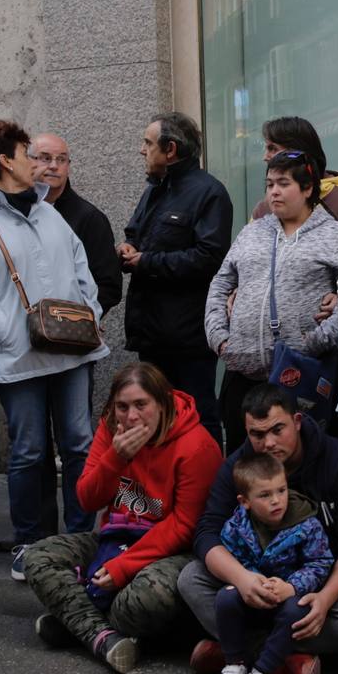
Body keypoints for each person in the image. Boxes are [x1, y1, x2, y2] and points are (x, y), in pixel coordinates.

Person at [0, 120, 110, 579]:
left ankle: (80, 537)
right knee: (29, 451)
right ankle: (29, 542)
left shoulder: (48, 212)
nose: (37, 162)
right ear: (6, 161)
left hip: (73, 350)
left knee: (79, 444)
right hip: (18, 355)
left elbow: (81, 267)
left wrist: (88, 312)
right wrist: (2, 330)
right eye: (27, 152)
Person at [26, 362, 221, 674]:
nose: (131, 417)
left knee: (148, 596)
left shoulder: (197, 446)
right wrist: (115, 458)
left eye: (141, 405)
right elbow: (87, 499)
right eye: (122, 407)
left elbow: (185, 526)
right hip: (114, 537)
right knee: (36, 558)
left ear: (163, 402)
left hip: (168, 551)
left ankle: (76, 623)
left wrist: (123, 567)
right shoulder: (110, 429)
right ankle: (104, 637)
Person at [178, 384, 338, 674]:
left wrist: (323, 600)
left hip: (310, 583)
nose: (267, 443)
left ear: (297, 421)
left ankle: (232, 654)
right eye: (257, 434)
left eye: (277, 429)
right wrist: (241, 578)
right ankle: (281, 664)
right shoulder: (240, 465)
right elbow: (207, 531)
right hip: (250, 582)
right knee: (190, 578)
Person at [205, 150, 338, 451]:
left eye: (283, 183)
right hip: (241, 370)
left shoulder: (335, 235)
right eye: (270, 184)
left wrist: (320, 339)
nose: (274, 191)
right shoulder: (252, 231)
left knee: (297, 459)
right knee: (242, 462)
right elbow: (221, 282)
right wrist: (219, 337)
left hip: (297, 373)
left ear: (307, 188)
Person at [121, 112, 232, 448]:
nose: (142, 150)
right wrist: (128, 248)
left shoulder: (209, 193)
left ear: (170, 150)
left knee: (196, 418)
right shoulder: (154, 189)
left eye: (148, 143)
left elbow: (208, 258)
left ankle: (208, 495)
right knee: (156, 419)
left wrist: (147, 261)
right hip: (151, 333)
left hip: (188, 337)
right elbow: (136, 232)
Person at [211, 454, 333, 674]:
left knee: (297, 610)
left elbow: (320, 562)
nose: (277, 500)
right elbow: (233, 558)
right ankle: (235, 664)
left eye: (281, 490)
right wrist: (250, 580)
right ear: (244, 502)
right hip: (253, 596)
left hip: (288, 597)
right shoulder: (236, 526)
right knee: (225, 597)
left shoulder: (307, 524)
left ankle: (263, 672)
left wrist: (292, 586)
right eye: (265, 495)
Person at [32, 133, 123, 317]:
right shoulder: (15, 214)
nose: (54, 166)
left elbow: (109, 285)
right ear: (27, 162)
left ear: (69, 166)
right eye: (45, 158)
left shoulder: (89, 218)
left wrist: (80, 318)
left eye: (62, 160)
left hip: (69, 330)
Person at [250, 116, 338, 228]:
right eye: (270, 184)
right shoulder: (262, 210)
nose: (265, 157)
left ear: (297, 151)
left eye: (273, 148)